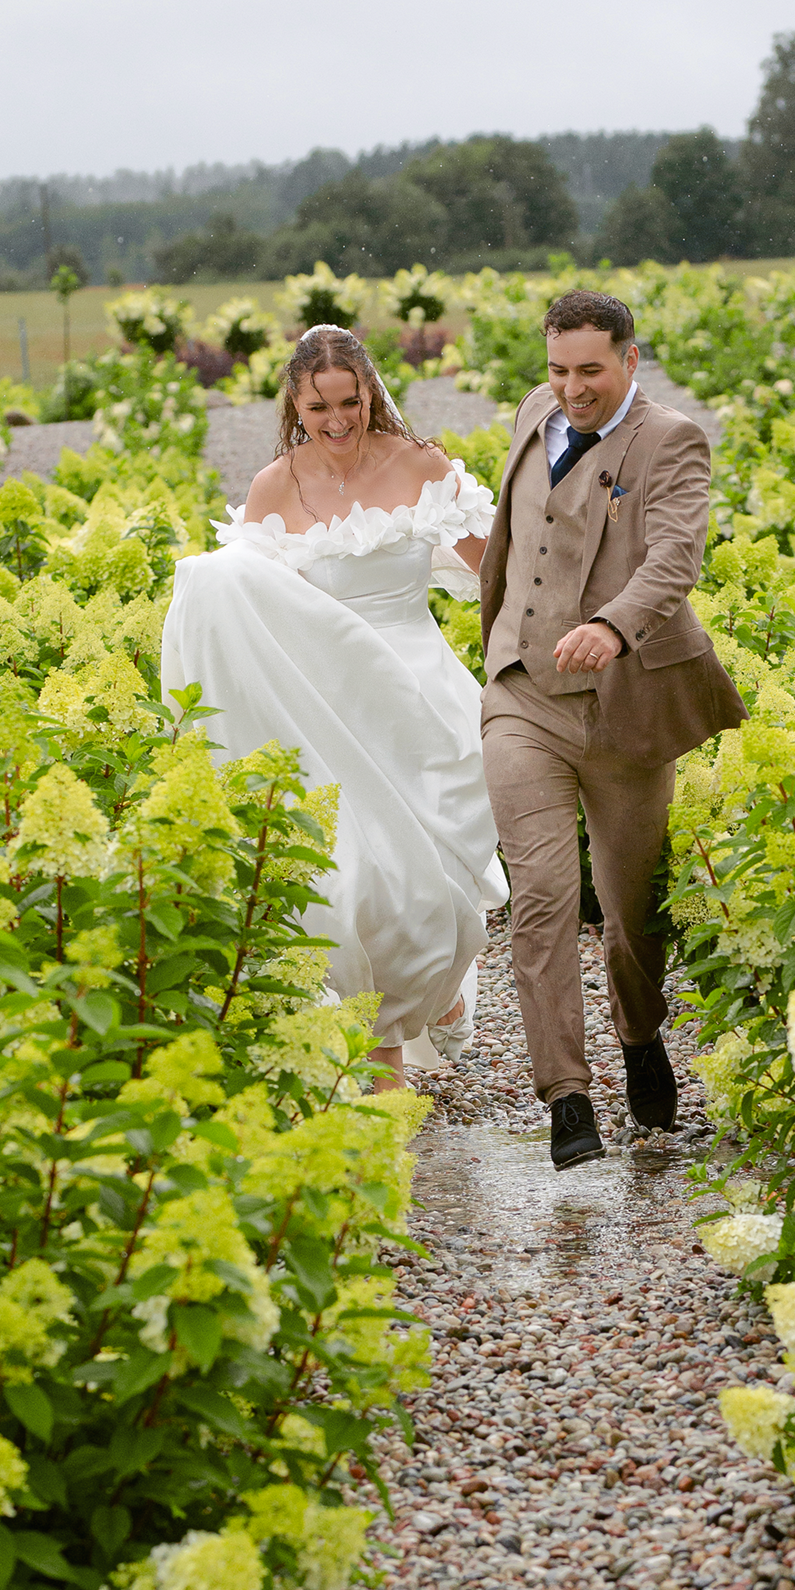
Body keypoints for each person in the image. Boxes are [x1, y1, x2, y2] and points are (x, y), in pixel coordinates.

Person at [159, 324, 506, 1081]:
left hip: (417, 692)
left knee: (430, 881)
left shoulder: (424, 467)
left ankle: (437, 993)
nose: (339, 420)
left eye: (352, 400)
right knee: (356, 878)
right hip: (333, 702)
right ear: (295, 401)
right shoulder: (273, 487)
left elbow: (499, 579)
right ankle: (381, 1053)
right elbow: (249, 602)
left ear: (372, 392)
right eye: (320, 407)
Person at [478, 288, 745, 1168]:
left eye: (590, 370)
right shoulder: (534, 412)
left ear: (631, 359)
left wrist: (613, 624)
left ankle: (639, 1034)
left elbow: (676, 555)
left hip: (624, 710)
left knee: (631, 912)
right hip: (523, 694)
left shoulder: (670, 440)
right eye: (557, 370)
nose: (571, 389)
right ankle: (566, 1096)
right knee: (544, 898)